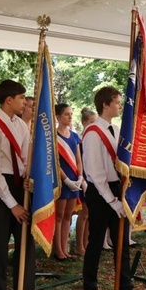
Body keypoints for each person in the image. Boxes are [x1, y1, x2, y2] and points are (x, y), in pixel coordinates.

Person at [81, 86, 146, 290]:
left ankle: (125, 288)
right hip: (100, 192)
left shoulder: (117, 129)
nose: (121, 106)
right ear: (105, 104)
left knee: (122, 241)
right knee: (96, 242)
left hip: (117, 188)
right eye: (118, 102)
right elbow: (95, 171)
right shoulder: (92, 132)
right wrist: (112, 201)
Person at [0, 80, 45, 290]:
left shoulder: (20, 124)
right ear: (9, 100)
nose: (25, 103)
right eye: (21, 98)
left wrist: (30, 179)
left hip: (20, 187)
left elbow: (26, 158)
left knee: (25, 246)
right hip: (1, 192)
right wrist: (13, 205)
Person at [54, 103, 85, 261]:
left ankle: (65, 249)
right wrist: (65, 179)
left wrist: (80, 177)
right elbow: (54, 162)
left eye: (71, 113)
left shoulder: (74, 136)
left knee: (68, 215)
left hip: (74, 180)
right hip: (62, 181)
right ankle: (58, 249)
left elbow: (79, 159)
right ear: (58, 117)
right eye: (66, 114)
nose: (70, 116)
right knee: (58, 216)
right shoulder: (53, 137)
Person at [74, 107, 96, 257]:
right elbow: (79, 161)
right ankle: (79, 245)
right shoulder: (80, 141)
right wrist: (82, 179)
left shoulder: (94, 140)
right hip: (83, 179)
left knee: (90, 213)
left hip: (93, 178)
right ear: (84, 123)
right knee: (84, 213)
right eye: (91, 122)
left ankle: (87, 243)